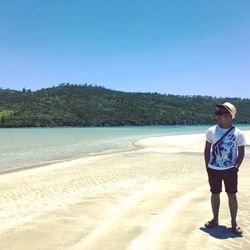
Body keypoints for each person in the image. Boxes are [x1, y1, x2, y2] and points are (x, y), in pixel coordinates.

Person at [204, 102, 246, 235]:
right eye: (217, 113)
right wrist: (208, 167)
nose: (217, 115)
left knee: (232, 195)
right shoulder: (211, 130)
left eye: (220, 113)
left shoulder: (238, 133)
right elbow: (207, 150)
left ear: (229, 115)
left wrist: (236, 167)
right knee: (214, 194)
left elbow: (241, 152)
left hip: (230, 170)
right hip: (213, 169)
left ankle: (234, 223)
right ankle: (215, 220)